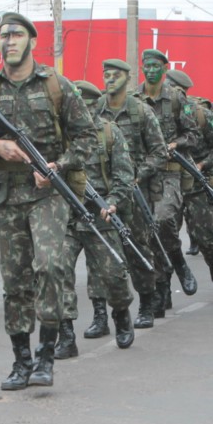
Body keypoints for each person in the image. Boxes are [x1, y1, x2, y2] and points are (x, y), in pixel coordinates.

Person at [0, 12, 95, 390]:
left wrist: (57, 165)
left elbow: (87, 139)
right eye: (3, 35)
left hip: (47, 193)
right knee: (15, 281)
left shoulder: (57, 86)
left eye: (16, 34)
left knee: (49, 266)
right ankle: (21, 360)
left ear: (32, 40)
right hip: (5, 195)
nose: (8, 41)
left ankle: (47, 356)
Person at [54, 80, 136, 358]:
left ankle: (120, 313)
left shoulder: (109, 134)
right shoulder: (58, 136)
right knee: (57, 270)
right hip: (66, 214)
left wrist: (113, 202)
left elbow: (125, 175)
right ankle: (66, 334)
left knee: (112, 274)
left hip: (100, 213)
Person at [95, 58, 167, 330]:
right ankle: (102, 314)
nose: (109, 79)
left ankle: (146, 303)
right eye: (106, 75)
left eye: (115, 75)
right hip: (104, 193)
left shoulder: (141, 111)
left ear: (127, 78)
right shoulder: (95, 111)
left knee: (138, 250)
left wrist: (137, 175)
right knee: (102, 254)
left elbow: (160, 153)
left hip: (135, 194)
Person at [135, 49, 202, 317]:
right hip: (142, 174)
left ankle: (179, 262)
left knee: (162, 220)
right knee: (146, 232)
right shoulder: (134, 99)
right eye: (146, 65)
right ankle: (161, 288)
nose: (150, 70)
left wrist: (175, 143)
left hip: (169, 172)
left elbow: (193, 135)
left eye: (155, 66)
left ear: (164, 68)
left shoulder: (176, 98)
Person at [165, 69, 213, 304]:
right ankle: (163, 292)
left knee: (205, 237)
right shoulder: (152, 113)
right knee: (162, 235)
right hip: (166, 182)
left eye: (174, 90)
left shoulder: (200, 114)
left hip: (196, 183)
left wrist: (201, 164)